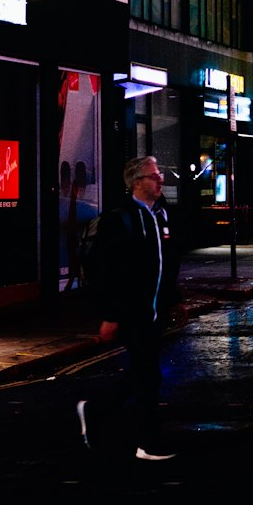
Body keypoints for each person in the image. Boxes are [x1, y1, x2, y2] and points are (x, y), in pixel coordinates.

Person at [74, 155, 180, 462]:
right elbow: (106, 271)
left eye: (159, 175)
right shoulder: (120, 219)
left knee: (145, 375)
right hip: (132, 313)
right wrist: (110, 315)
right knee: (148, 375)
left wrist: (174, 300)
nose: (160, 180)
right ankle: (146, 442)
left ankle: (95, 412)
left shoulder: (159, 214)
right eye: (154, 176)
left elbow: (164, 265)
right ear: (136, 182)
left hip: (153, 313)